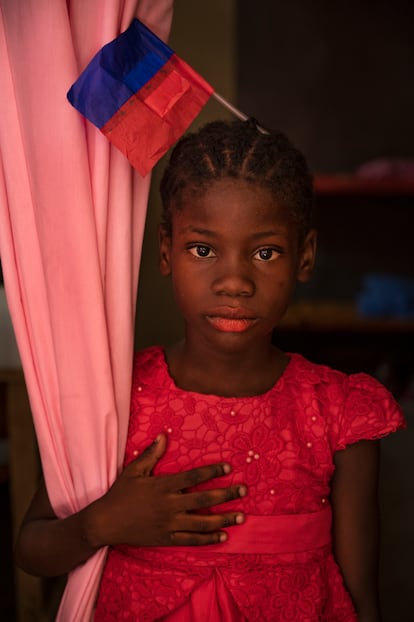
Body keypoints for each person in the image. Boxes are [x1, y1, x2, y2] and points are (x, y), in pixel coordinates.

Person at [15, 119, 405, 621]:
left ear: (304, 258)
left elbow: (361, 601)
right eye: (203, 250)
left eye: (265, 253)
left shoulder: (341, 412)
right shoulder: (112, 396)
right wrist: (100, 524)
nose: (235, 282)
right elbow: (31, 550)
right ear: (165, 250)